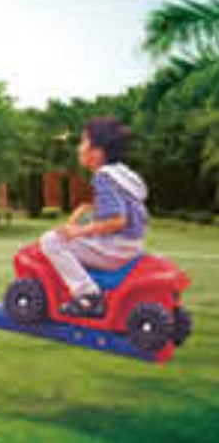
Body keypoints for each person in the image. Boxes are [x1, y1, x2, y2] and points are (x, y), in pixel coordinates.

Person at [40, 117, 148, 318]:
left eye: (83, 142)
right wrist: (86, 220)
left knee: (51, 241)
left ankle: (87, 296)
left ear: (97, 152)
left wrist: (77, 231)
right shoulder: (123, 175)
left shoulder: (104, 177)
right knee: (74, 238)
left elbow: (117, 221)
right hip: (132, 246)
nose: (79, 148)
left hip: (116, 248)